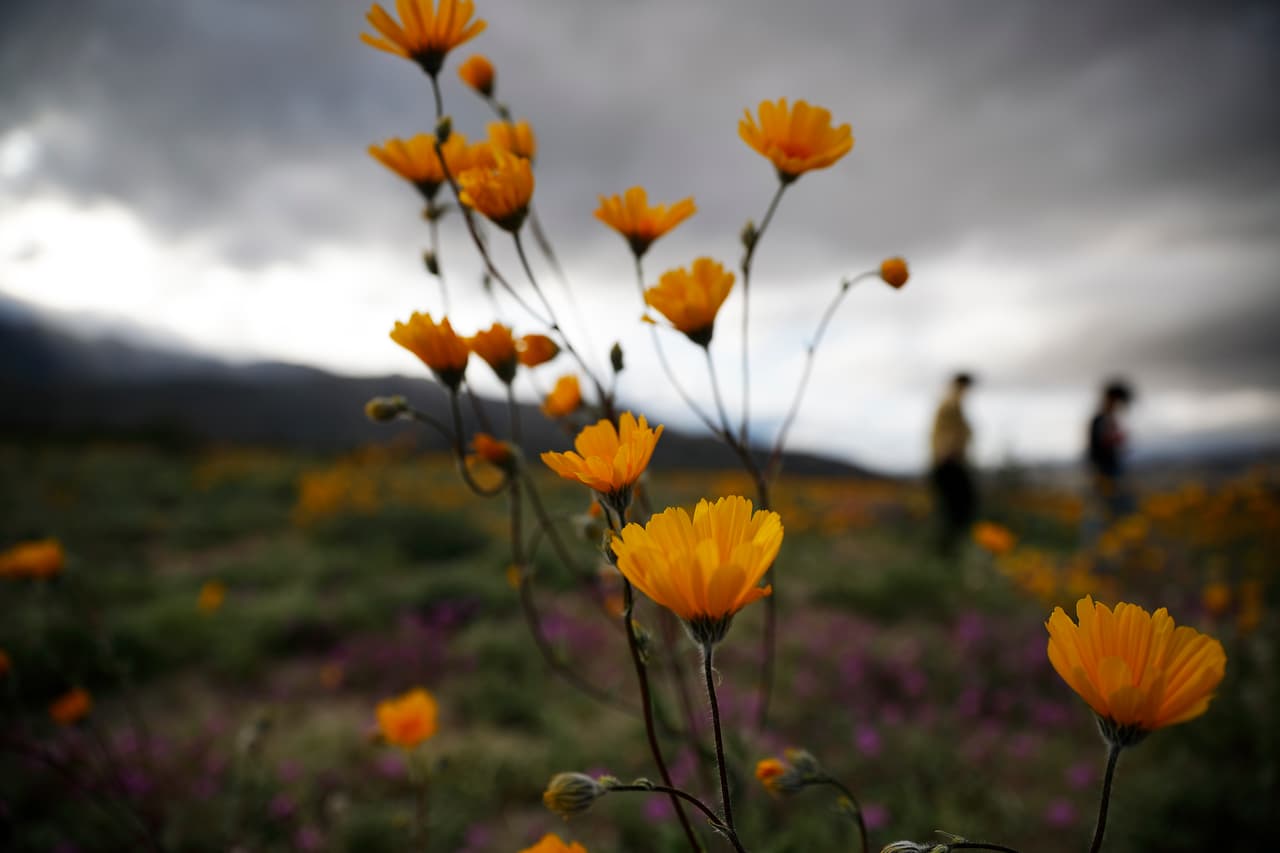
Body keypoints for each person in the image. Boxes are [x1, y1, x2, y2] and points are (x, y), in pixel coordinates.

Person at [929, 372, 976, 555]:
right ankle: (947, 550)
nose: (967, 392)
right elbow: (951, 433)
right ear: (960, 385)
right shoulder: (952, 402)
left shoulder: (950, 402)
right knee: (958, 508)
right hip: (949, 463)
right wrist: (949, 452)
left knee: (955, 508)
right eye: (966, 387)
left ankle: (948, 549)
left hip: (948, 462)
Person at [1086, 379, 1135, 526]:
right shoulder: (1101, 420)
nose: (1119, 407)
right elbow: (1102, 444)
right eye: (1118, 402)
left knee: (1111, 510)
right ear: (1111, 399)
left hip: (1108, 470)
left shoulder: (1107, 419)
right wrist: (1117, 439)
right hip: (1104, 472)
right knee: (1104, 511)